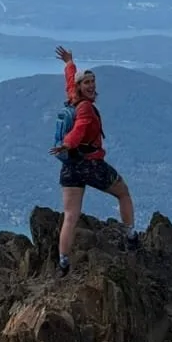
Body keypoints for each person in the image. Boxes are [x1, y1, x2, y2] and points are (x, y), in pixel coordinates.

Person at [51, 46, 138, 276]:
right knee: (123, 193)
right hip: (91, 165)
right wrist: (68, 143)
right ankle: (131, 236)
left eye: (93, 81)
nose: (91, 85)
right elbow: (79, 130)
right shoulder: (86, 108)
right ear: (81, 87)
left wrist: (69, 63)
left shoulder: (72, 98)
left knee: (70, 216)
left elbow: (70, 80)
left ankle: (63, 262)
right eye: (87, 82)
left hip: (69, 166)